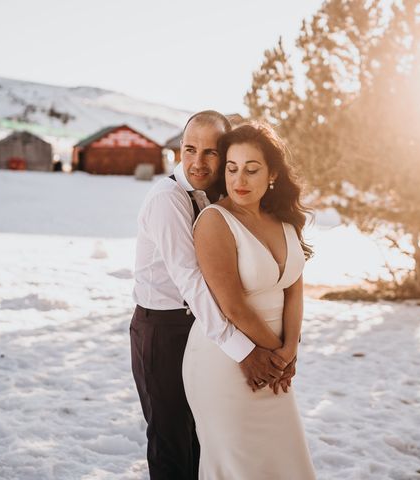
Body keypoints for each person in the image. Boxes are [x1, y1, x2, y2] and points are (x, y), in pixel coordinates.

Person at [130, 111, 289, 480]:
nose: (198, 162)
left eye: (211, 152)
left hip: (203, 329)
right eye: (189, 149)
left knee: (204, 438)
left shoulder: (217, 191)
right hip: (163, 331)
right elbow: (192, 282)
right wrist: (244, 350)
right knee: (171, 442)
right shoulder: (167, 199)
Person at [182, 123, 316, 478]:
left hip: (275, 361)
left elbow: (294, 290)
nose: (239, 179)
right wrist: (278, 356)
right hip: (228, 360)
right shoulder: (215, 221)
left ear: (272, 173)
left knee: (284, 463)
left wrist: (290, 351)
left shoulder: (284, 220)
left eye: (251, 169)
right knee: (238, 466)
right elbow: (233, 305)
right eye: (232, 168)